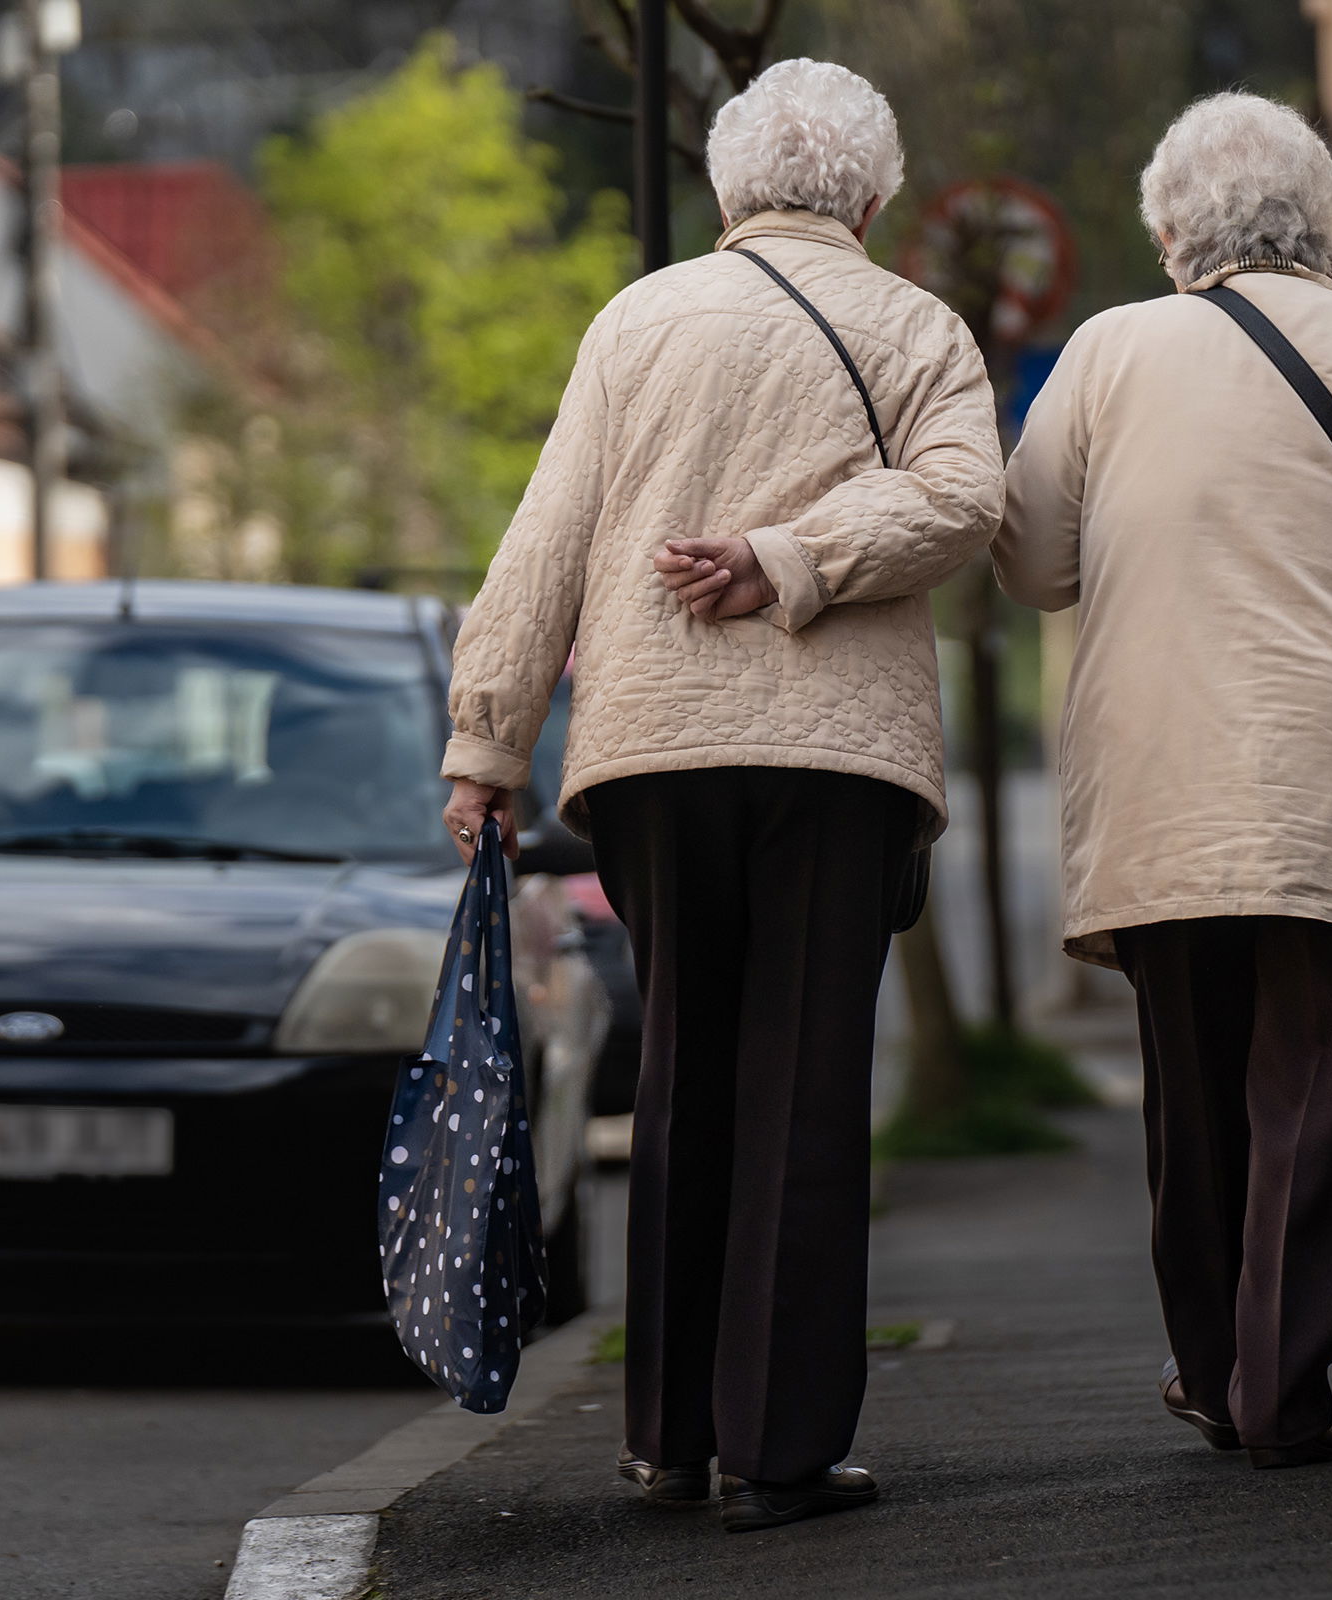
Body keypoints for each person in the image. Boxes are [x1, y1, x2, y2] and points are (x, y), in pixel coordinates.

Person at [440, 60, 1003, 1532]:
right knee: (807, 1088)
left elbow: (545, 532)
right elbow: (964, 499)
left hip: (653, 751)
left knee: (685, 1071)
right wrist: (801, 560)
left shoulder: (640, 317)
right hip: (837, 762)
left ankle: (669, 1436)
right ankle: (778, 1450)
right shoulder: (919, 325)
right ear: (874, 199)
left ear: (725, 191)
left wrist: (488, 743)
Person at [992, 92, 1332, 1469]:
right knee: (1322, 1086)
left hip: (1163, 779)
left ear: (1171, 229)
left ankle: (1208, 1363)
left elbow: (1031, 560)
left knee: (1193, 1091)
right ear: (1327, 225)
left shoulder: (1108, 354)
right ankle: (1278, 1386)